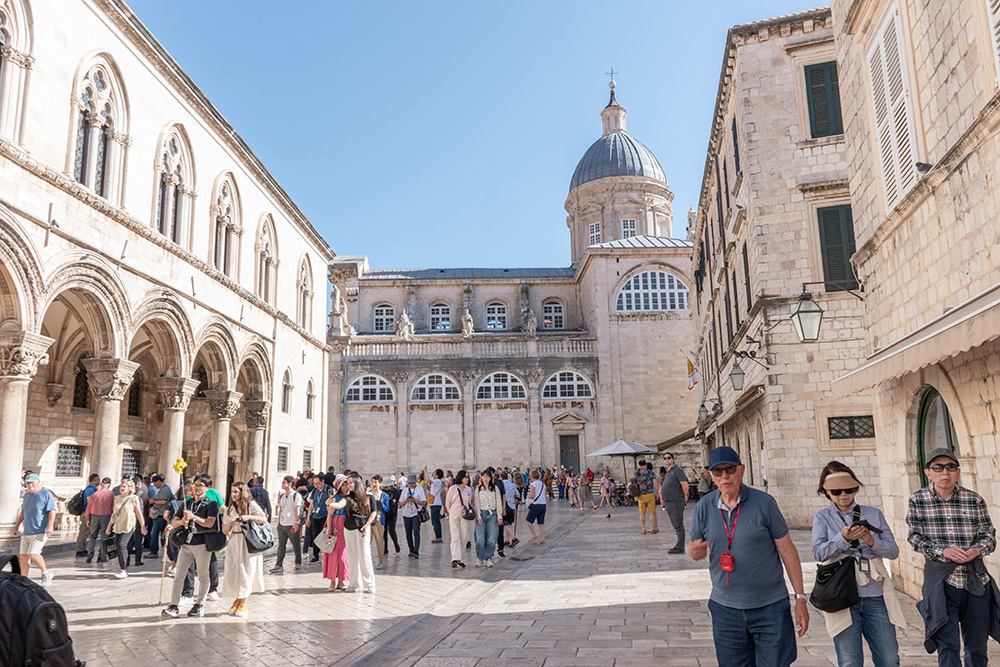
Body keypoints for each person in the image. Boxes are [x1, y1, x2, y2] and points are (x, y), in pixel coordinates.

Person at [687, 446, 808, 667]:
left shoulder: (765, 503)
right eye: (717, 471)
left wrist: (800, 598)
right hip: (725, 610)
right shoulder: (704, 506)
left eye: (730, 469)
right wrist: (694, 552)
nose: (725, 476)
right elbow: (695, 548)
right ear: (711, 476)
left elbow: (788, 551)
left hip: (770, 607)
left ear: (741, 470)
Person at [906, 448, 999, 666]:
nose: (944, 472)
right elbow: (914, 538)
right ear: (928, 472)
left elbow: (989, 536)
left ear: (958, 471)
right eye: (937, 467)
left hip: (975, 581)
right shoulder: (917, 500)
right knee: (947, 644)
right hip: (941, 583)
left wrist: (976, 550)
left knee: (977, 646)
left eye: (950, 467)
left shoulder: (974, 499)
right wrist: (942, 551)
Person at [812, 461, 904, 667]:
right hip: (841, 597)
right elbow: (818, 552)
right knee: (849, 662)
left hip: (876, 595)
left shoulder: (873, 514)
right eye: (836, 491)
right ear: (826, 492)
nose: (843, 494)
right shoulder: (822, 517)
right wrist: (842, 538)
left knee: (890, 660)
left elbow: (893, 551)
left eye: (849, 489)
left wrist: (872, 541)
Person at [162, 474, 221, 618]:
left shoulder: (211, 504)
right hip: (186, 544)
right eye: (195, 484)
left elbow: (210, 523)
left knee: (202, 576)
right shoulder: (186, 503)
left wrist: (194, 517)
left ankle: (199, 604)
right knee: (179, 575)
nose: (197, 488)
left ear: (208, 488)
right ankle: (174, 605)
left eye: (200, 485)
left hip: (202, 544)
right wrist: (183, 521)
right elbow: (173, 522)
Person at [221, 482, 267, 617]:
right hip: (234, 541)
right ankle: (237, 598)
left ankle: (243, 602)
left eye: (236, 492)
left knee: (246, 571)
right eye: (232, 491)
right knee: (233, 571)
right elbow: (224, 530)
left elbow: (263, 518)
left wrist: (248, 517)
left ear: (243, 492)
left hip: (248, 542)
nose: (233, 494)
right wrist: (231, 522)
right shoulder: (229, 509)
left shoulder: (251, 505)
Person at [12, 473, 56, 586]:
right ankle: (24, 578)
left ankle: (46, 573)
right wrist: (17, 526)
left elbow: (52, 510)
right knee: (23, 556)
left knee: (33, 553)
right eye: (27, 483)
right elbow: (23, 512)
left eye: (32, 482)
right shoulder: (27, 496)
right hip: (27, 530)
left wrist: (50, 525)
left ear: (38, 482)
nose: (29, 485)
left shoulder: (46, 494)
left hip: (40, 530)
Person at [106, 477, 145, 579]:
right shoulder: (116, 498)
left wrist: (142, 526)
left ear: (129, 488)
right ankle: (122, 567)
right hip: (118, 525)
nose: (122, 488)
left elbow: (138, 513)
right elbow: (113, 514)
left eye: (124, 486)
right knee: (119, 547)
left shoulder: (134, 498)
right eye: (121, 486)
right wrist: (109, 526)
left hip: (128, 525)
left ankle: (123, 570)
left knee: (122, 544)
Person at [344, 472, 377, 594]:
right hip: (349, 528)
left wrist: (367, 524)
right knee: (352, 556)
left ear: (357, 483)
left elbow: (373, 511)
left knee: (364, 555)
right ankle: (354, 583)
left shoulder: (368, 496)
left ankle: (369, 584)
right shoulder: (348, 497)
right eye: (347, 483)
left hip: (362, 528)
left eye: (351, 482)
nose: (349, 485)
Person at [323, 475, 350, 591]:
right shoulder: (335, 497)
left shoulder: (350, 497)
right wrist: (329, 528)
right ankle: (332, 581)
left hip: (346, 527)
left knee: (343, 556)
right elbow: (330, 513)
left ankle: (341, 580)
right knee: (333, 554)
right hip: (336, 525)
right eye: (343, 484)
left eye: (346, 483)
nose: (346, 486)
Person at [271, 475, 303, 572]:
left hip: (291, 524)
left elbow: (297, 509)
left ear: (289, 484)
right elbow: (280, 508)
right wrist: (279, 521)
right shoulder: (282, 495)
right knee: (281, 546)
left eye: (283, 482)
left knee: (296, 544)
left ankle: (298, 562)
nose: (282, 483)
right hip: (282, 524)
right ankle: (279, 565)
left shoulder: (296, 495)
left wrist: (297, 522)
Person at [473, 468, 503, 567]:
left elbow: (499, 502)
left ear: (491, 478)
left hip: (492, 515)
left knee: (491, 538)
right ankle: (480, 557)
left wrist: (499, 516)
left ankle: (488, 557)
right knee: (480, 539)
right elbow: (476, 503)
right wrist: (478, 516)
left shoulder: (495, 488)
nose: (485, 479)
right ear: (481, 477)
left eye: (487, 476)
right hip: (481, 514)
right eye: (484, 476)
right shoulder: (478, 489)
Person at [660, 453, 689, 554]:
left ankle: (680, 547)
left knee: (678, 524)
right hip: (669, 501)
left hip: (676, 501)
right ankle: (679, 545)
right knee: (675, 524)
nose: (667, 460)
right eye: (665, 458)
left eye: (669, 458)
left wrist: (684, 496)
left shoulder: (678, 471)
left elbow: (685, 485)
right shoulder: (669, 472)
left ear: (673, 459)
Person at [445, 470, 473, 568]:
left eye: (468, 477)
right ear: (460, 477)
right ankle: (455, 558)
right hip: (454, 515)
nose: (467, 479)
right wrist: (450, 512)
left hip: (464, 516)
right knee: (455, 537)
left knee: (464, 538)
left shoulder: (469, 489)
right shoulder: (453, 489)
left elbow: (469, 503)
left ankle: (461, 558)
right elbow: (447, 502)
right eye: (465, 477)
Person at [84, 477, 114, 563]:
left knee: (92, 535)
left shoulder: (95, 494)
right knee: (104, 537)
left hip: (94, 516)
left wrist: (87, 519)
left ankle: (90, 552)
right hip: (106, 517)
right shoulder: (111, 494)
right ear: (109, 485)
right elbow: (113, 508)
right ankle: (101, 556)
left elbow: (88, 507)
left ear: (101, 484)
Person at [305, 474, 332, 563]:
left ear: (322, 481)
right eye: (314, 484)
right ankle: (316, 556)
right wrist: (308, 518)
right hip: (315, 516)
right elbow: (311, 505)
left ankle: (328, 555)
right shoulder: (314, 491)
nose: (316, 485)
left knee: (327, 536)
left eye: (317, 483)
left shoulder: (329, 490)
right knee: (315, 536)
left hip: (326, 516)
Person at [400, 473, 427, 559]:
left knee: (416, 532)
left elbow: (424, 503)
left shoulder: (420, 490)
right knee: (408, 533)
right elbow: (400, 504)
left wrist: (415, 501)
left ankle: (416, 550)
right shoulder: (405, 490)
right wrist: (406, 501)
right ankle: (411, 550)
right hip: (406, 514)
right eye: (410, 483)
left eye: (413, 483)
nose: (411, 484)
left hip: (416, 513)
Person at [74, 473, 101, 556]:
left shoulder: (93, 489)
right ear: (94, 480)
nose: (99, 481)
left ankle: (83, 548)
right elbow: (90, 502)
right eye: (98, 479)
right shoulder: (90, 489)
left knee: (86, 531)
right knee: (84, 532)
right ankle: (79, 550)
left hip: (89, 513)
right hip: (87, 513)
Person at [147, 474, 172, 559]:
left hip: (160, 514)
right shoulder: (165, 488)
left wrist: (153, 501)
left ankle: (154, 552)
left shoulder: (164, 490)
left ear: (158, 481)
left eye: (154, 482)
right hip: (161, 514)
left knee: (154, 533)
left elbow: (163, 501)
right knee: (162, 534)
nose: (153, 484)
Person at [632, 460, 659, 535]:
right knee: (651, 513)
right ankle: (653, 528)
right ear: (646, 464)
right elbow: (655, 483)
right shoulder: (650, 472)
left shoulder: (637, 472)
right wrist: (656, 493)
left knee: (642, 513)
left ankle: (643, 529)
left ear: (639, 465)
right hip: (650, 494)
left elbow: (632, 480)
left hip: (641, 495)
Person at [369, 476, 388, 570]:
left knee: (379, 542)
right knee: (367, 542)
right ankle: (366, 561)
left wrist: (381, 506)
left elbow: (387, 508)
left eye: (375, 482)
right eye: (372, 482)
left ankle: (380, 561)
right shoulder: (368, 494)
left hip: (379, 520)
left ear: (380, 483)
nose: (373, 484)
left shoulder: (384, 495)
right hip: (368, 521)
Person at [525, 469, 547, 545]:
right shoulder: (543, 484)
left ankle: (534, 535)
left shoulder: (533, 484)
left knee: (528, 521)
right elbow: (544, 495)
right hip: (543, 504)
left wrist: (528, 496)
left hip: (536, 504)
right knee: (541, 523)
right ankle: (543, 539)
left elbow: (532, 496)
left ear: (532, 476)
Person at [384, 479, 401, 555]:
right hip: (384, 513)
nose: (385, 488)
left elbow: (397, 500)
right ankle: (385, 548)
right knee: (384, 532)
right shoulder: (382, 492)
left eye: (387, 487)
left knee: (391, 530)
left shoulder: (396, 492)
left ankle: (396, 543)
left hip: (392, 513)